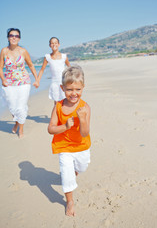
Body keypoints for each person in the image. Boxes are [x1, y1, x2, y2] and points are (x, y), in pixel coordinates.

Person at [48, 66, 91, 216]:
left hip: (81, 146)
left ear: (83, 88)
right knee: (66, 175)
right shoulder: (58, 106)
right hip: (64, 147)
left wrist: (83, 119)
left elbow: (85, 133)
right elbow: (51, 129)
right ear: (62, 88)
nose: (74, 93)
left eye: (78, 89)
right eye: (69, 89)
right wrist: (65, 126)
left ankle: (74, 171)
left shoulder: (85, 107)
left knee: (83, 167)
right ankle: (70, 201)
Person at [0, 28, 39, 138]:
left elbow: (31, 65)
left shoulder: (23, 51)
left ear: (19, 38)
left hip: (23, 82)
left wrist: (36, 79)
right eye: (11, 35)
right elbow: (0, 67)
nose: (14, 37)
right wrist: (3, 79)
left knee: (21, 107)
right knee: (12, 107)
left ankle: (20, 130)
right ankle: (17, 122)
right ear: (8, 37)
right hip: (9, 84)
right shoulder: (4, 51)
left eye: (16, 36)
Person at [37, 37, 70, 104]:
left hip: (64, 82)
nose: (54, 44)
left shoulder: (64, 56)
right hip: (54, 83)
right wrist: (37, 81)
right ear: (50, 45)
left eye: (55, 43)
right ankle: (57, 114)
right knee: (57, 103)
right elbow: (42, 70)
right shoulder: (47, 57)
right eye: (52, 43)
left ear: (59, 44)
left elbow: (70, 68)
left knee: (65, 101)